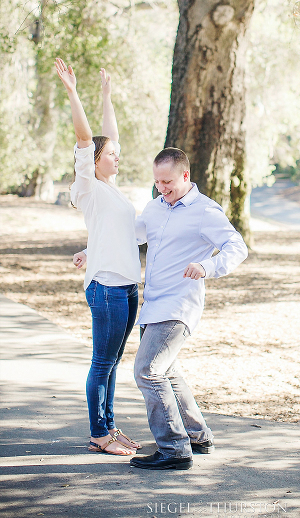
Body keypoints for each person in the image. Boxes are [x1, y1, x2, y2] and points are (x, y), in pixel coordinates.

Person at [128, 147, 248, 470]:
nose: (162, 188)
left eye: (167, 182)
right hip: (153, 304)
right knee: (166, 371)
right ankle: (197, 436)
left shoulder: (205, 212)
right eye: (157, 182)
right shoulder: (154, 208)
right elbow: (130, 237)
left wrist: (208, 266)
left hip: (179, 306)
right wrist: (90, 250)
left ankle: (174, 450)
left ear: (185, 175)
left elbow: (238, 247)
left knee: (147, 371)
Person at [55, 58, 143, 456]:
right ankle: (98, 434)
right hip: (106, 287)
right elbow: (87, 136)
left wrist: (107, 94)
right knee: (102, 364)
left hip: (126, 287)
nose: (117, 156)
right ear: (94, 160)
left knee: (114, 364)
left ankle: (109, 426)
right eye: (112, 154)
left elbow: (110, 135)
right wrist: (74, 91)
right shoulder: (87, 186)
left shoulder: (113, 189)